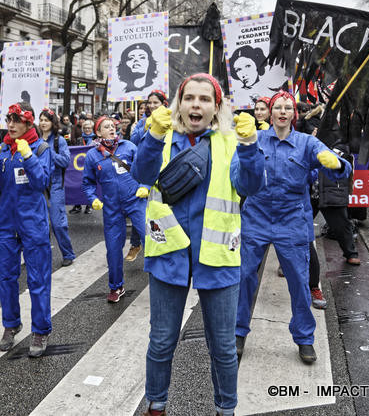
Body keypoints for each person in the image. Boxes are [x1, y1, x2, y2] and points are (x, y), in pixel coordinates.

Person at [133, 73, 264, 416]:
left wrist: (250, 148)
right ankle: (156, 405)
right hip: (168, 254)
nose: (196, 104)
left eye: (205, 99)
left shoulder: (231, 142)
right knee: (161, 341)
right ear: (179, 103)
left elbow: (250, 185)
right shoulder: (161, 137)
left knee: (222, 346)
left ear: (216, 107)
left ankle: (226, 408)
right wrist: (152, 136)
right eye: (189, 97)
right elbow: (142, 176)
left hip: (217, 257)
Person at [236, 90, 351, 364]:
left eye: (288, 107)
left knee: (300, 283)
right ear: (270, 112)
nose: (283, 112)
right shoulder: (256, 139)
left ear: (294, 114)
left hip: (292, 221)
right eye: (278, 107)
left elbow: (344, 168)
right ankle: (237, 332)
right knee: (244, 278)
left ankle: (304, 339)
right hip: (256, 219)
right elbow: (239, 177)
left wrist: (336, 164)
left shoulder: (306, 144)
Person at [0, 102, 53, 358]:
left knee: (38, 279)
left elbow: (42, 182)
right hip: (5, 224)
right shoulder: (2, 149)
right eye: (8, 120)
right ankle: (11, 325)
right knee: (6, 279)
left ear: (28, 122)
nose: (10, 125)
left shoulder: (41, 148)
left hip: (33, 223)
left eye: (16, 120)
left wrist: (29, 157)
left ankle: (41, 329)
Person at [82, 115, 146, 302]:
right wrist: (92, 198)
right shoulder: (93, 155)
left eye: (113, 126)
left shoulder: (129, 147)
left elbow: (146, 168)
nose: (111, 129)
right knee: (113, 249)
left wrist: (145, 186)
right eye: (106, 126)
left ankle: (162, 279)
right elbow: (87, 183)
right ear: (98, 132)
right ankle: (116, 287)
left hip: (135, 201)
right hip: (112, 208)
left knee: (150, 240)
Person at [38, 108, 75, 266]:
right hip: (38, 185)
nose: (43, 123)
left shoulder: (59, 141)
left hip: (55, 185)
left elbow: (65, 161)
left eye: (46, 120)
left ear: (52, 123)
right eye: (41, 120)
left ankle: (68, 254)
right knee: (38, 223)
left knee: (58, 223)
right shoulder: (34, 139)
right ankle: (37, 254)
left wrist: (49, 152)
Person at [228, 45, 286, 110]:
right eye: (238, 70)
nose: (243, 74)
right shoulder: (236, 98)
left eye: (247, 66)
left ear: (257, 64)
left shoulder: (275, 92)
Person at [70, 119, 96, 215]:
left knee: (90, 184)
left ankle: (89, 205)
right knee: (78, 185)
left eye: (89, 128)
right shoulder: (79, 140)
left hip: (91, 166)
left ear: (92, 128)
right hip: (79, 166)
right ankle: (77, 205)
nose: (87, 129)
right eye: (85, 128)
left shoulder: (96, 139)